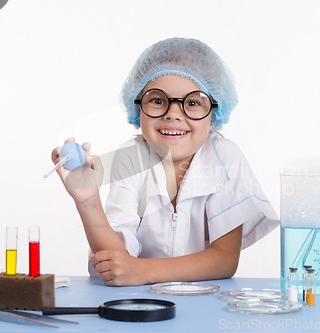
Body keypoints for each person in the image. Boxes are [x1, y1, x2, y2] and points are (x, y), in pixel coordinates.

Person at [51, 37, 279, 286]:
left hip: (204, 308)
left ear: (214, 114)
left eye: (192, 103)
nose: (173, 113)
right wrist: (88, 201)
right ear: (137, 107)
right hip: (142, 307)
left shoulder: (224, 158)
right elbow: (115, 260)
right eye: (158, 100)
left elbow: (224, 260)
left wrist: (142, 271)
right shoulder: (132, 158)